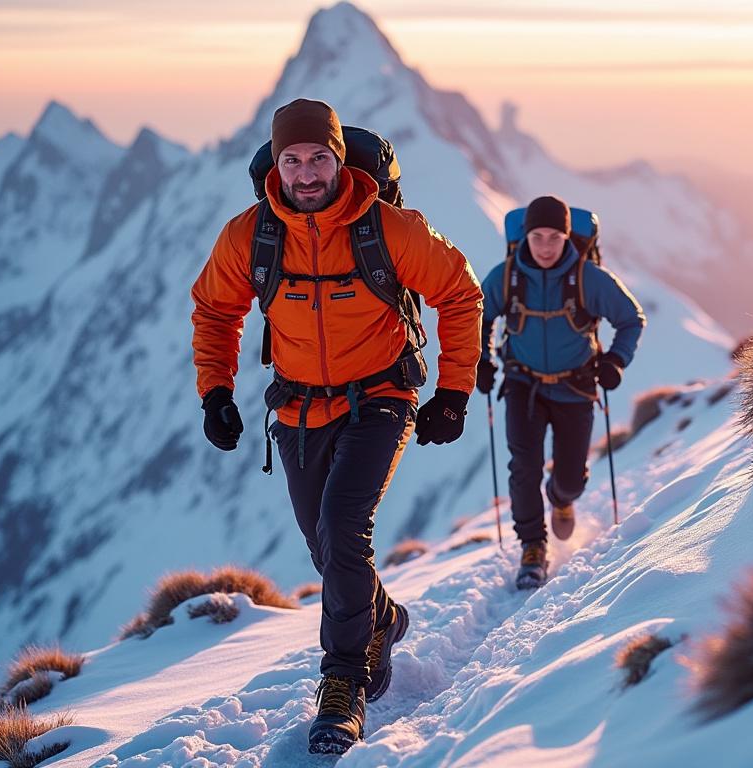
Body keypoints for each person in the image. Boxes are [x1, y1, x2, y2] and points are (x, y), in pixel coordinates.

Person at [190, 98, 482, 755]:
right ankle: (380, 618)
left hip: (381, 394)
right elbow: (214, 308)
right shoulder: (252, 235)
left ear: (339, 158)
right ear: (277, 165)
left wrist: (453, 393)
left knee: (344, 527)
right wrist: (214, 393)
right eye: (292, 160)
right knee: (328, 549)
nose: (306, 172)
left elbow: (460, 293)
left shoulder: (388, 228)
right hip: (297, 408)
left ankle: (342, 686)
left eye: (318, 157)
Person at [476, 195, 645, 590]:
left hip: (576, 384)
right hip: (523, 385)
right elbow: (476, 318)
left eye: (555, 237)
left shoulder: (589, 279)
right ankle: (532, 548)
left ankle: (562, 497)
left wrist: (615, 360)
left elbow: (631, 319)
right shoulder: (506, 277)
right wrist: (480, 361)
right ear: (526, 237)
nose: (546, 246)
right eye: (538, 237)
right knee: (523, 465)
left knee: (570, 479)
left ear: (568, 236)